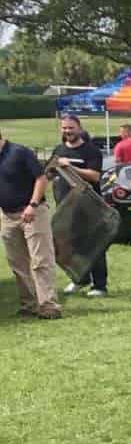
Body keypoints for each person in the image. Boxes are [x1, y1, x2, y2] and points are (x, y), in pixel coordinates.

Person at [0, 126, 60, 319]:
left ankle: (49, 306)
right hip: (7, 216)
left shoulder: (19, 152)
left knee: (41, 260)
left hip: (33, 213)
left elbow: (41, 178)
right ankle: (29, 304)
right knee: (17, 263)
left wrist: (32, 205)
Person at [49, 116, 109, 298]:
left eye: (71, 128)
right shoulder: (59, 149)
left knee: (94, 245)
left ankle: (100, 285)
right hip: (65, 208)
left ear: (79, 128)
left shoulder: (91, 151)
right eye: (64, 128)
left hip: (88, 207)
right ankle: (80, 279)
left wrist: (70, 167)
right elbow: (50, 174)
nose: (67, 131)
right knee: (71, 246)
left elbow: (95, 176)